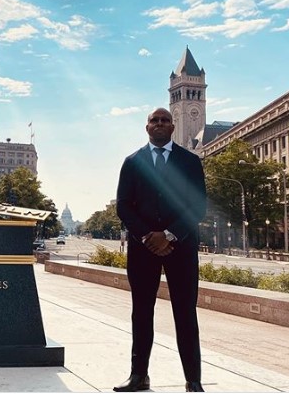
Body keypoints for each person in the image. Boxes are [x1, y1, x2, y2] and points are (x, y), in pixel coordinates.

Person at [114, 107, 207, 393]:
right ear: (147, 127)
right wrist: (148, 236)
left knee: (185, 312)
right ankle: (138, 376)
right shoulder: (132, 162)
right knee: (141, 312)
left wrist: (168, 235)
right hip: (143, 250)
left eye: (164, 120)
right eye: (154, 120)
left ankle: (193, 381)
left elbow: (198, 206)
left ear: (172, 126)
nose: (159, 124)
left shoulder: (190, 161)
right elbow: (123, 206)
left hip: (181, 246)